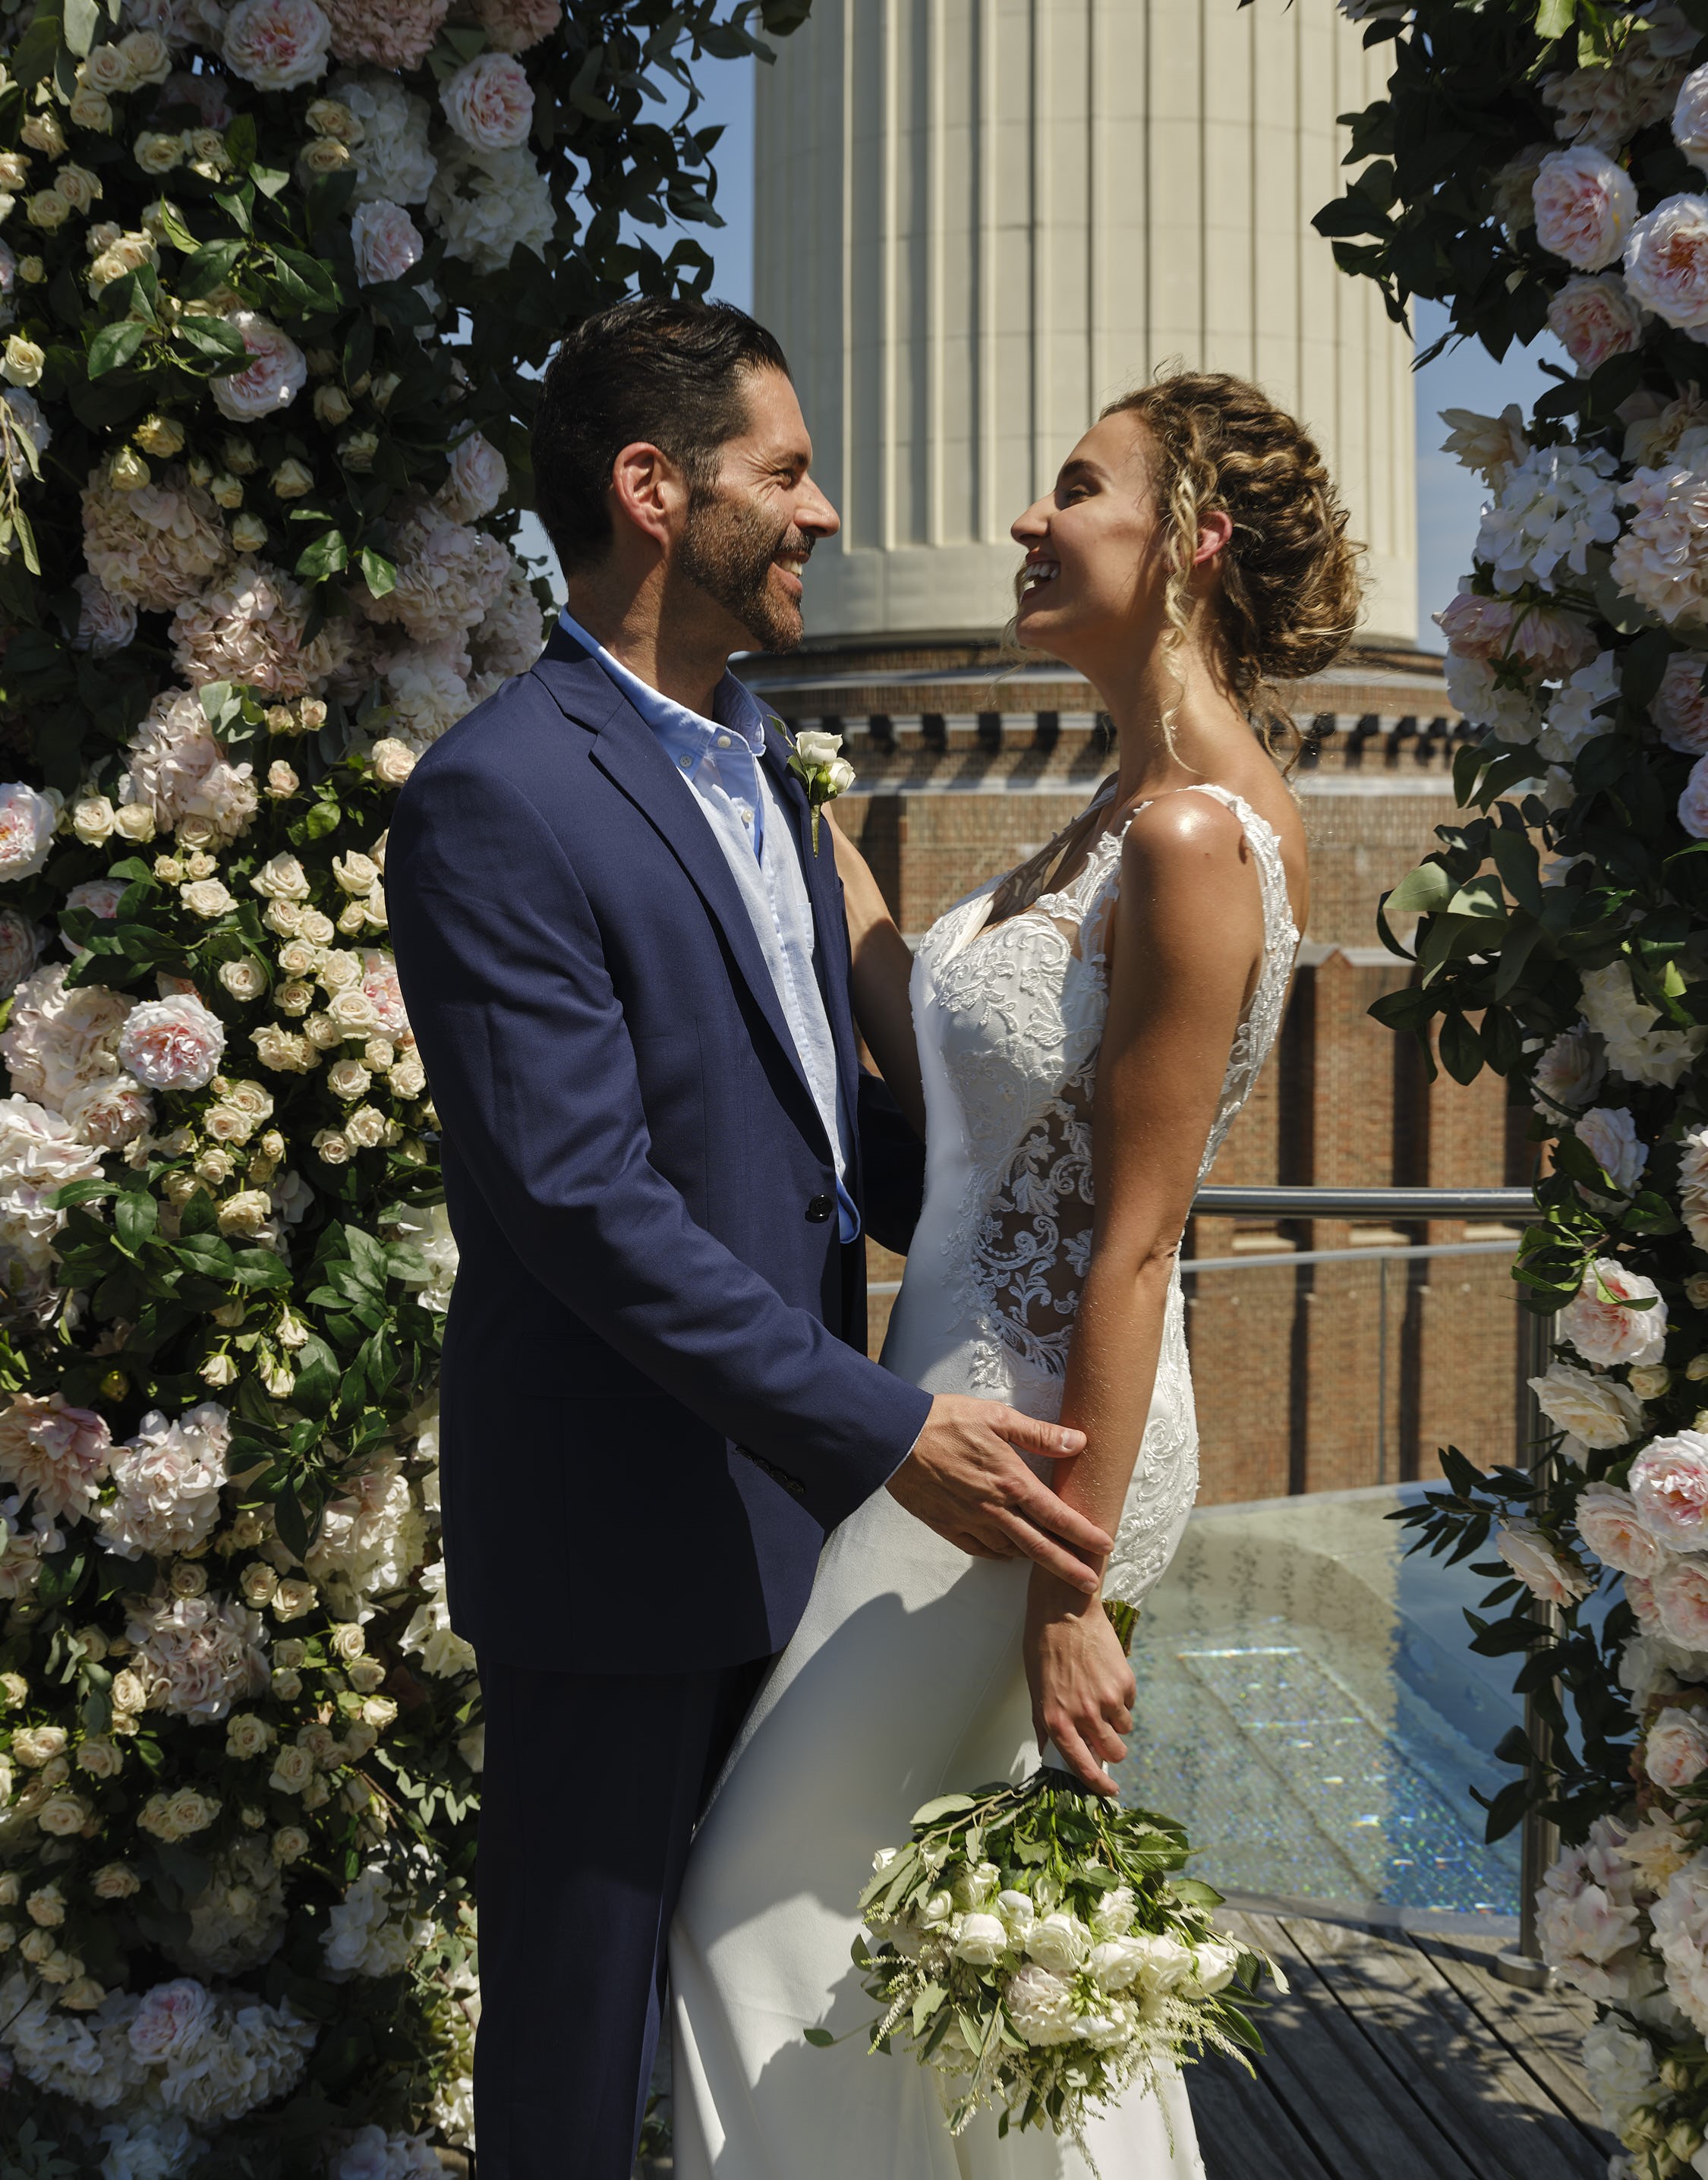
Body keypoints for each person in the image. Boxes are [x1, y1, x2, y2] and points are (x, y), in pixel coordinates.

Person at [385, 297, 1119, 2180]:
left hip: (809, 1533)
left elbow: (831, 1147)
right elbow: (581, 1200)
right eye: (784, 473)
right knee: (578, 2049)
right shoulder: (497, 795)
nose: (824, 515)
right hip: (619, 1535)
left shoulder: (770, 775)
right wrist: (884, 1428)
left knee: (781, 2016)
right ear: (655, 489)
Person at [670, 370, 1361, 2178]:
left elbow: (1140, 1237)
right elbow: (946, 1062)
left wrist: (1071, 1586)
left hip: (1029, 1455)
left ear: (1192, 542)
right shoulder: (1122, 802)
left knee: (756, 1896)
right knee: (956, 1925)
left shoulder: (1201, 835)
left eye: (1077, 490)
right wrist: (780, 799)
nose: (1026, 523)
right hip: (971, 1421)